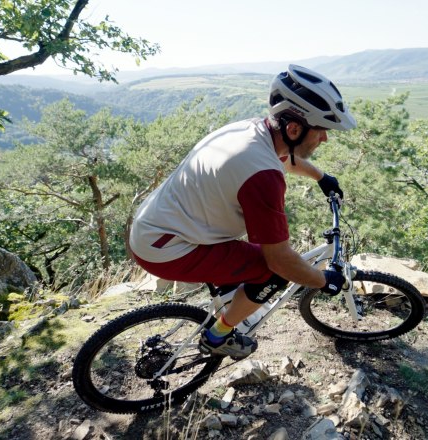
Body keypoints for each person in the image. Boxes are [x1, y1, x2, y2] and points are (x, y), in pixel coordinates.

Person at [129, 64, 356, 359]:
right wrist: (323, 280)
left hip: (154, 228)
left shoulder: (252, 130)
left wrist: (321, 178)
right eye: (322, 131)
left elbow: (284, 157)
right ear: (294, 128)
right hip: (169, 249)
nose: (324, 139)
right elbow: (280, 261)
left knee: (256, 264)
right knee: (271, 273)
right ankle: (218, 335)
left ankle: (230, 302)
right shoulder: (262, 177)